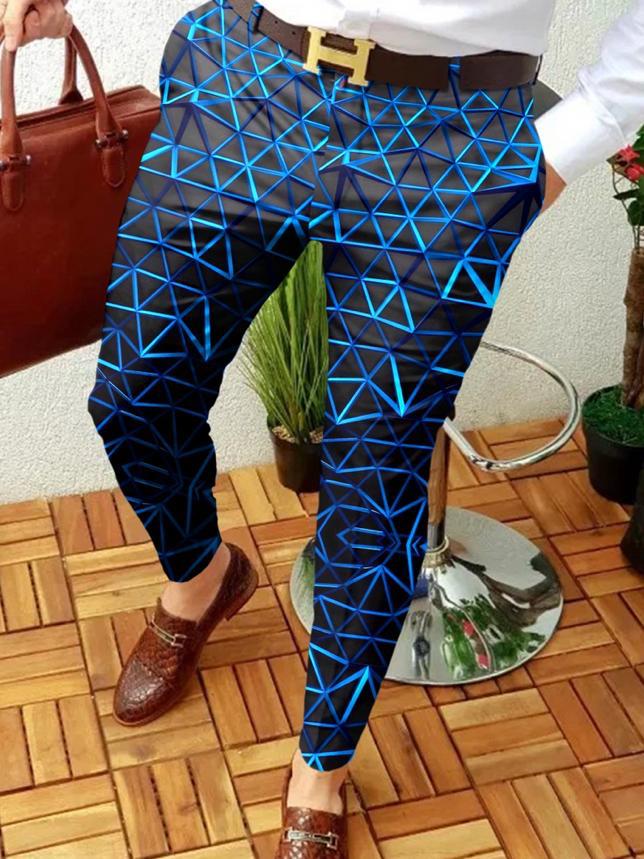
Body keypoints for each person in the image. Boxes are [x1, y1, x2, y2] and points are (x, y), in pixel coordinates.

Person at [2, 1, 643, 856]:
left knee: (375, 480)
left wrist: (568, 139)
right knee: (137, 392)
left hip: (449, 135)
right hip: (249, 75)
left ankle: (322, 767)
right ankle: (201, 576)